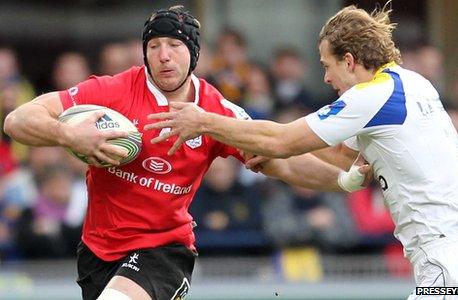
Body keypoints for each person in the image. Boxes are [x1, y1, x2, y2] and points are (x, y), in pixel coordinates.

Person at [3, 5, 367, 300]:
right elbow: (18, 121)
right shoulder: (113, 90)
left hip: (164, 251)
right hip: (97, 252)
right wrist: (69, 135)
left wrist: (345, 180)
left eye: (174, 46)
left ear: (193, 53)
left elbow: (281, 162)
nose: (163, 56)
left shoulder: (216, 110)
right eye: (154, 46)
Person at [146, 3, 458, 298]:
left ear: (350, 61)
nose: (326, 77)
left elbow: (282, 140)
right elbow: (341, 154)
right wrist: (261, 146)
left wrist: (204, 122)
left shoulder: (372, 96)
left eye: (328, 65)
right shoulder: (411, 83)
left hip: (441, 249)